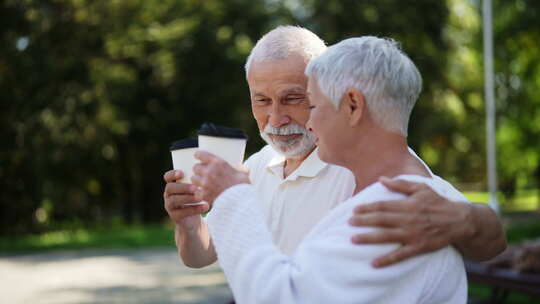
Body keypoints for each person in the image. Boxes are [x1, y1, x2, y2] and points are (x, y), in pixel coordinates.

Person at [163, 26, 505, 268]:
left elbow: (491, 241)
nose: (275, 119)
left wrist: (467, 219)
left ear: (321, 91)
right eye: (262, 100)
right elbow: (202, 256)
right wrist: (189, 223)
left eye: (293, 98)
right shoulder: (254, 166)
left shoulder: (363, 166)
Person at [192, 36, 467, 303]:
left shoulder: (393, 216)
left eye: (312, 104)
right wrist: (479, 222)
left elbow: (281, 297)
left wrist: (234, 197)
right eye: (262, 100)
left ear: (352, 106)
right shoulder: (406, 199)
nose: (309, 123)